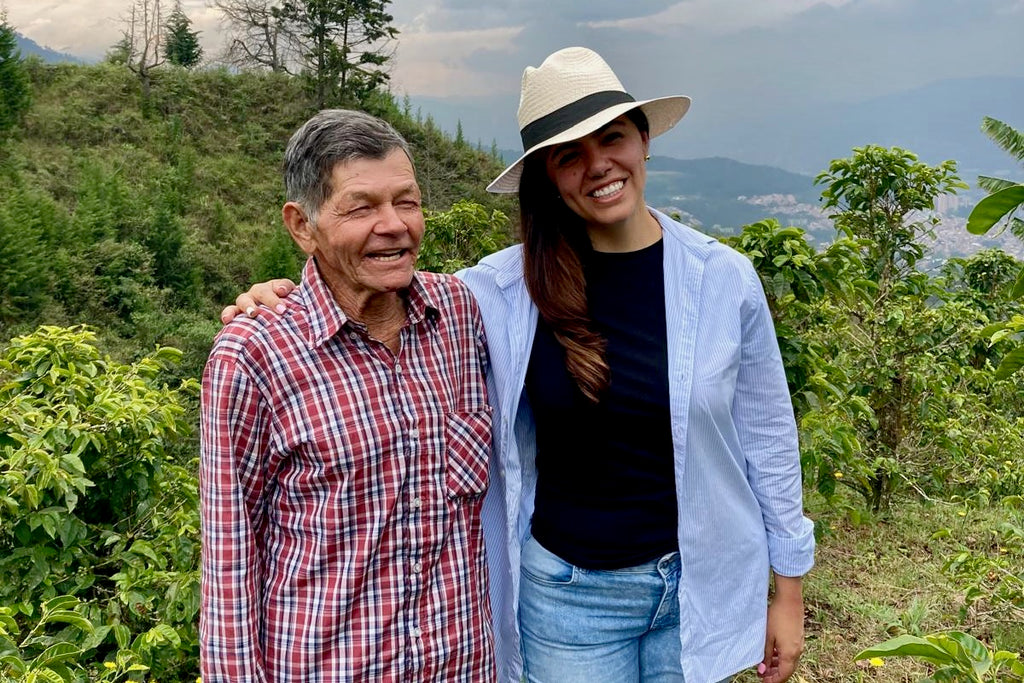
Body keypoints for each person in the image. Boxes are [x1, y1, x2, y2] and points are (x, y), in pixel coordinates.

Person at [225, 47, 814, 683]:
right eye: (569, 155)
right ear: (548, 178)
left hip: (700, 582)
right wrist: (276, 296)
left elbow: (767, 436)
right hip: (568, 599)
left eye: (612, 138)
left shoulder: (723, 281)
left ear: (643, 141)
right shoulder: (498, 293)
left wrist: (788, 591)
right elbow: (374, 280)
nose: (598, 166)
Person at [200, 109, 496, 682]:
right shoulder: (253, 355)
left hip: (463, 666)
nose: (394, 225)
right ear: (302, 226)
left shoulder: (461, 314)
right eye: (361, 208)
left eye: (406, 202)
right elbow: (229, 558)